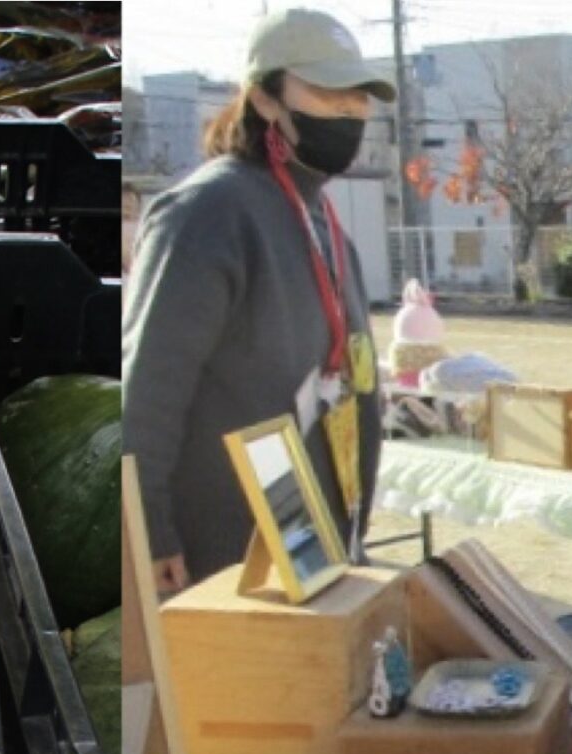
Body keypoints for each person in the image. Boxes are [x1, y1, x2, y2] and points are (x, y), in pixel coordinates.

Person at [122, 7, 390, 594]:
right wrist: (150, 530)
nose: (349, 111)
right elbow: (148, 388)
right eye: (327, 92)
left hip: (311, 543)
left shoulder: (327, 225)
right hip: (222, 557)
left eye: (359, 96)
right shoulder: (208, 213)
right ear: (265, 98)